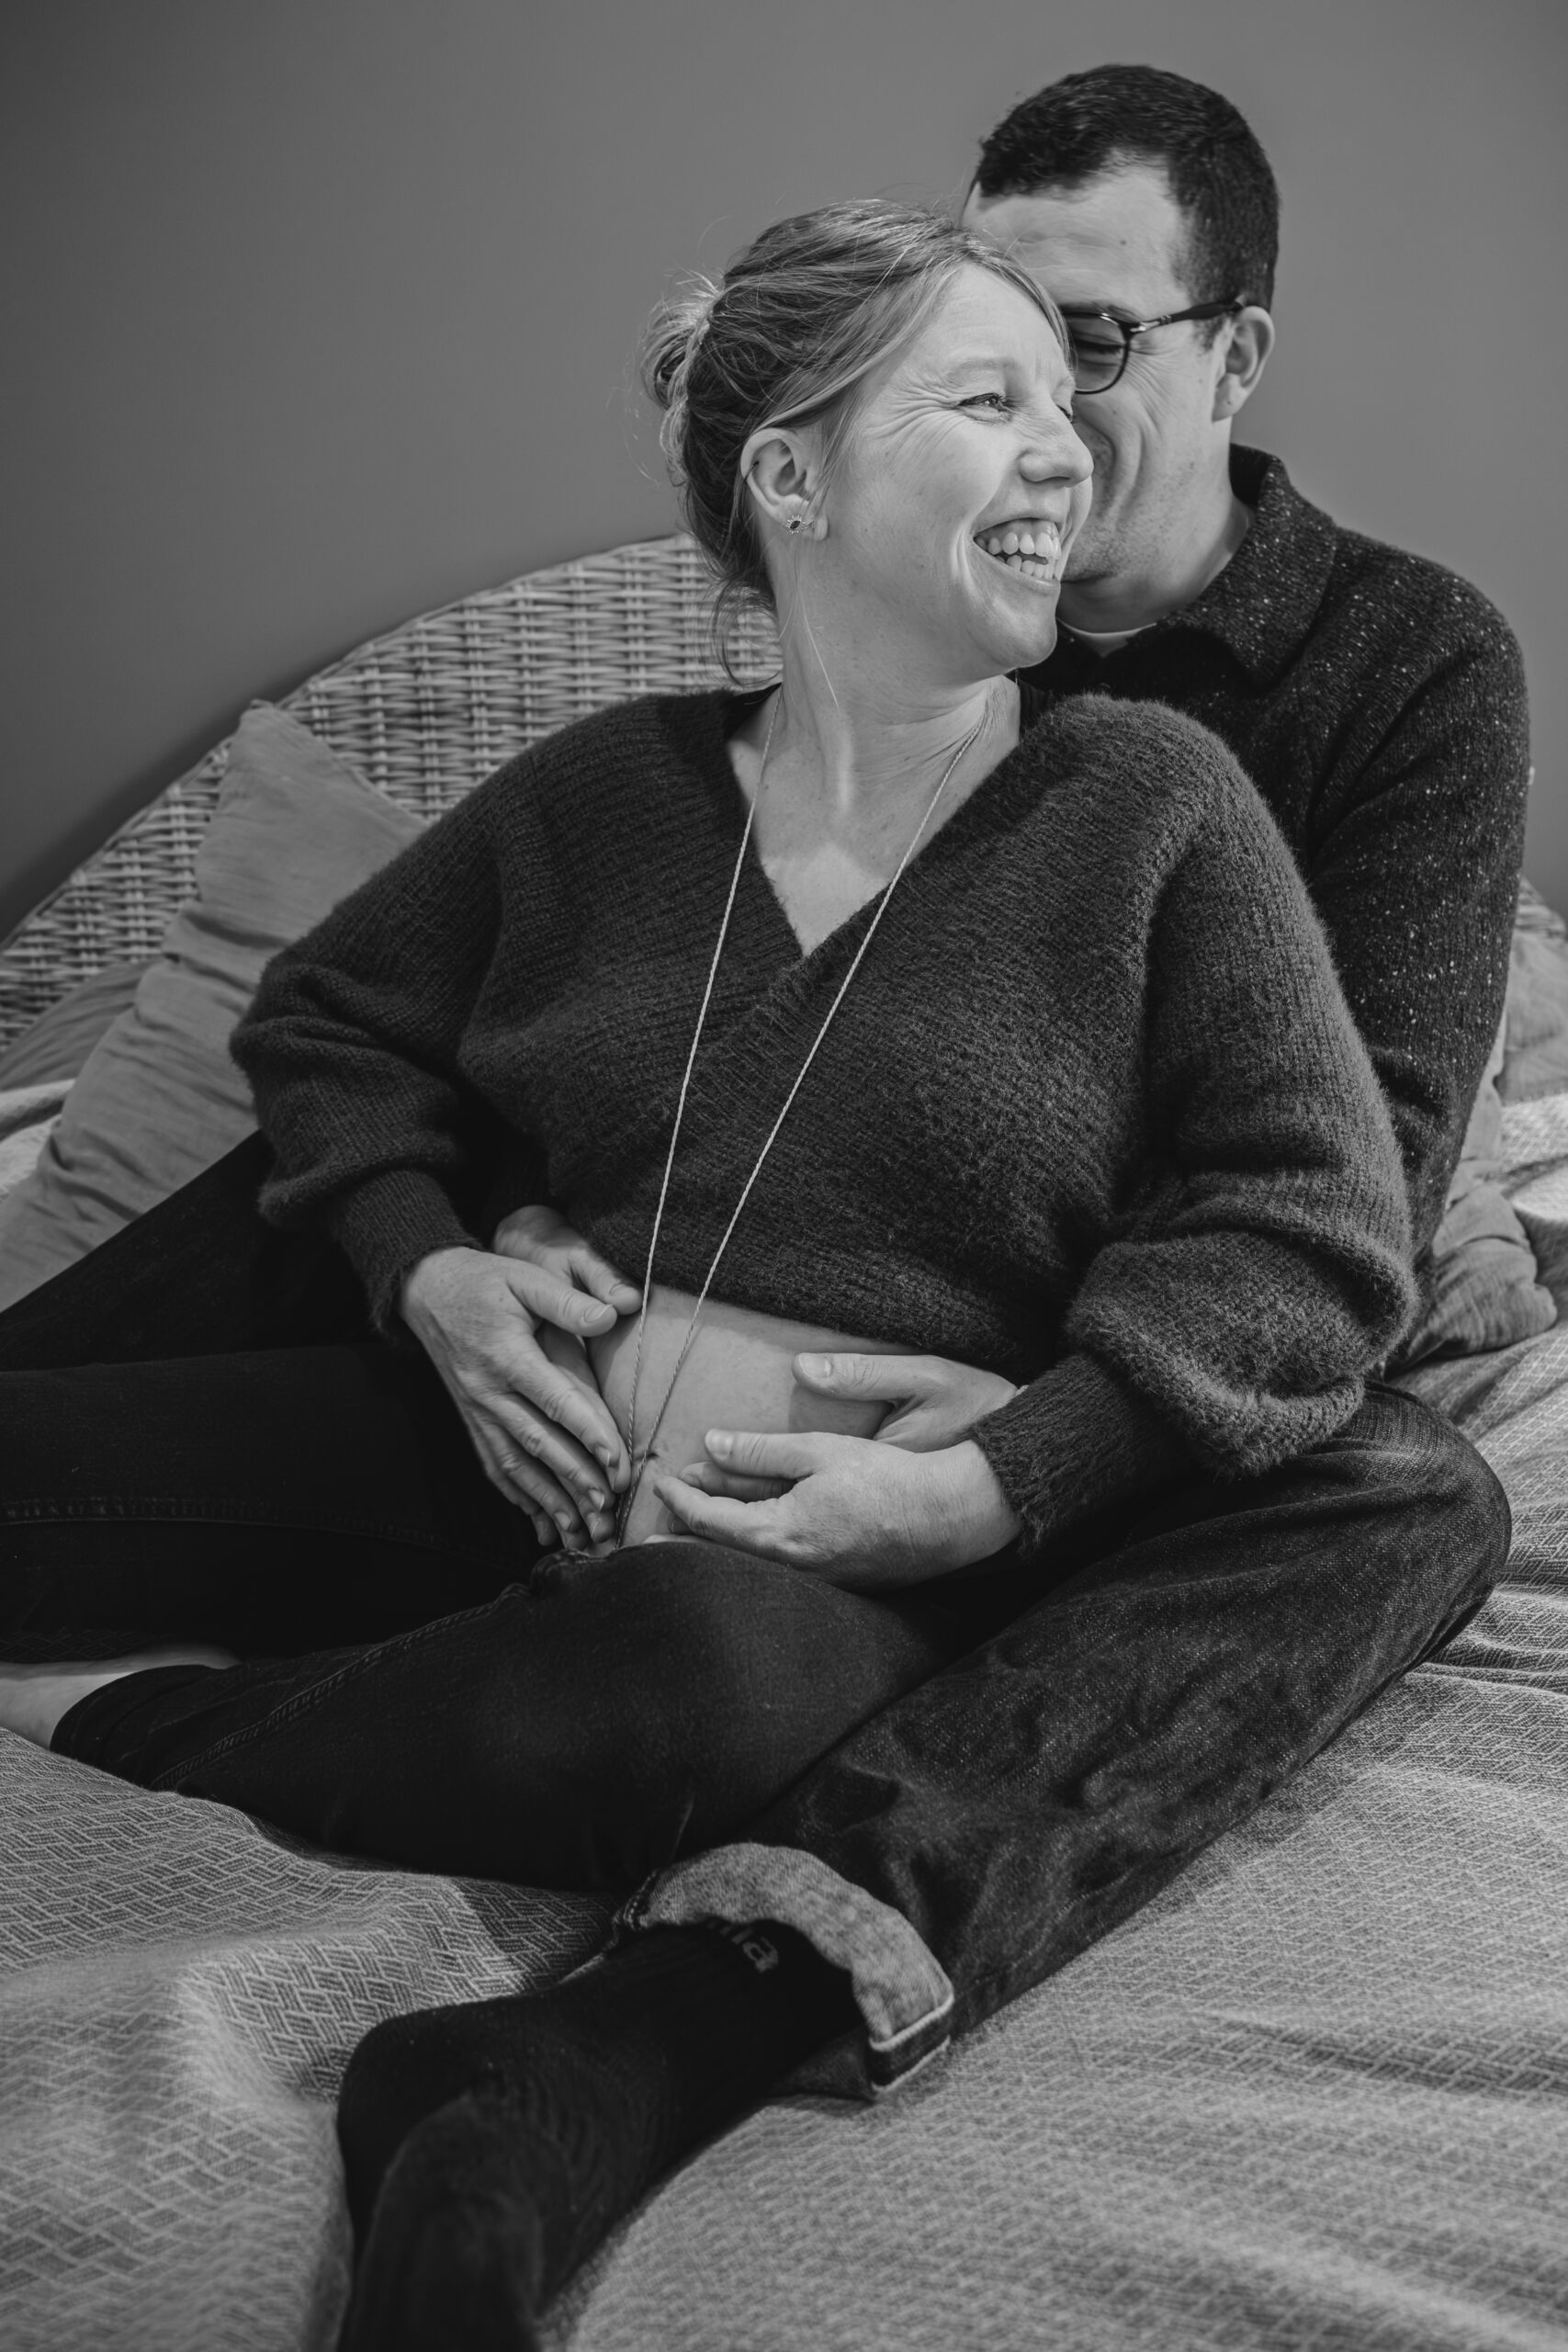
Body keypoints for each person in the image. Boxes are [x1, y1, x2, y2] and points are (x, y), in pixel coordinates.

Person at [0, 198, 1504, 2352]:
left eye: (1064, 400)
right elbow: (332, 1018)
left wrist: (995, 1483)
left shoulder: (1150, 804)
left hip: (826, 1561)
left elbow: (1315, 1217)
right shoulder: (601, 795)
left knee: (695, 1688)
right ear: (793, 481)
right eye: (984, 400)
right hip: (490, 1442)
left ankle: (172, 1725)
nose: (1061, 448)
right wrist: (427, 1268)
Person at [954, 62, 1529, 1284]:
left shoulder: (1417, 659)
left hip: (1212, 1336)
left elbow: (1367, 1169)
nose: (1026, 413)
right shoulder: (910, 612)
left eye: (1089, 340)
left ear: (1235, 358)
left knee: (1425, 1484)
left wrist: (1035, 1410)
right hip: (888, 1302)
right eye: (982, 338)